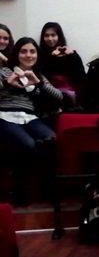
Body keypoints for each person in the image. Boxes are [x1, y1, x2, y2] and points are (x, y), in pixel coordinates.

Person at [0, 37, 63, 204]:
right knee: (27, 144)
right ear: (16, 54)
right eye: (23, 51)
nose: (28, 55)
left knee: (51, 139)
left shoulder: (38, 75)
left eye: (32, 51)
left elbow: (59, 96)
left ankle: (46, 190)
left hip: (30, 117)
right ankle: (20, 193)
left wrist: (39, 83)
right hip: (5, 115)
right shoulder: (5, 71)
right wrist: (7, 82)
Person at [38, 21, 86, 110]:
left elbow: (81, 78)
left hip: (71, 97)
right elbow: (42, 77)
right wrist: (51, 57)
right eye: (46, 35)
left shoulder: (71, 54)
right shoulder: (39, 56)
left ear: (59, 36)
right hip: (49, 95)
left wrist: (72, 56)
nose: (50, 38)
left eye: (53, 35)